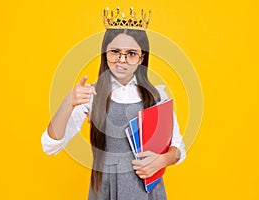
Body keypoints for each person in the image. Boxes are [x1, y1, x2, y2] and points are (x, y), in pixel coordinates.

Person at [41, 7, 186, 200]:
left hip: (149, 193)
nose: (122, 60)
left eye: (131, 53)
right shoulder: (92, 95)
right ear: (105, 53)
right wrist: (69, 102)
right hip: (106, 191)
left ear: (141, 57)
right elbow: (50, 146)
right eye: (115, 52)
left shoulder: (156, 95)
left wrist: (161, 160)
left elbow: (178, 149)